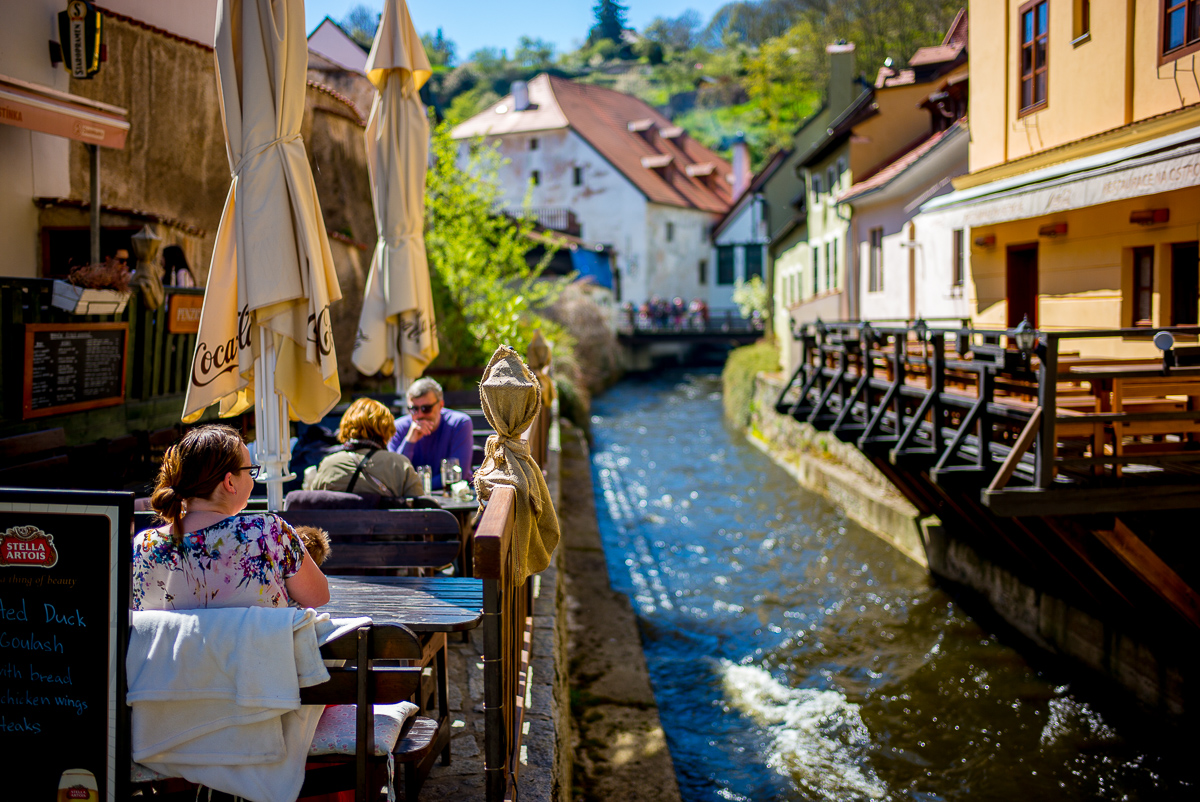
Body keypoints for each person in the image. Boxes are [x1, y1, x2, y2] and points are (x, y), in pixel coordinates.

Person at [132, 424, 329, 611]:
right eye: (250, 471)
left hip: (174, 648)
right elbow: (319, 596)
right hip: (256, 647)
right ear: (229, 482)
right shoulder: (267, 532)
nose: (252, 478)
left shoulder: (145, 545)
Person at [304, 398, 424, 498]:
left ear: (346, 425)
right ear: (387, 429)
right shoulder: (399, 465)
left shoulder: (328, 465)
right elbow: (422, 513)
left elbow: (314, 506)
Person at [387, 377, 474, 491]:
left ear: (441, 405)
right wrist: (409, 441)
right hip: (412, 502)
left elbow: (458, 473)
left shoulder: (459, 424)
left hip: (453, 499)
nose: (419, 415)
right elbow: (394, 475)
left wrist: (416, 487)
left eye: (426, 408)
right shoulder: (398, 427)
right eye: (413, 409)